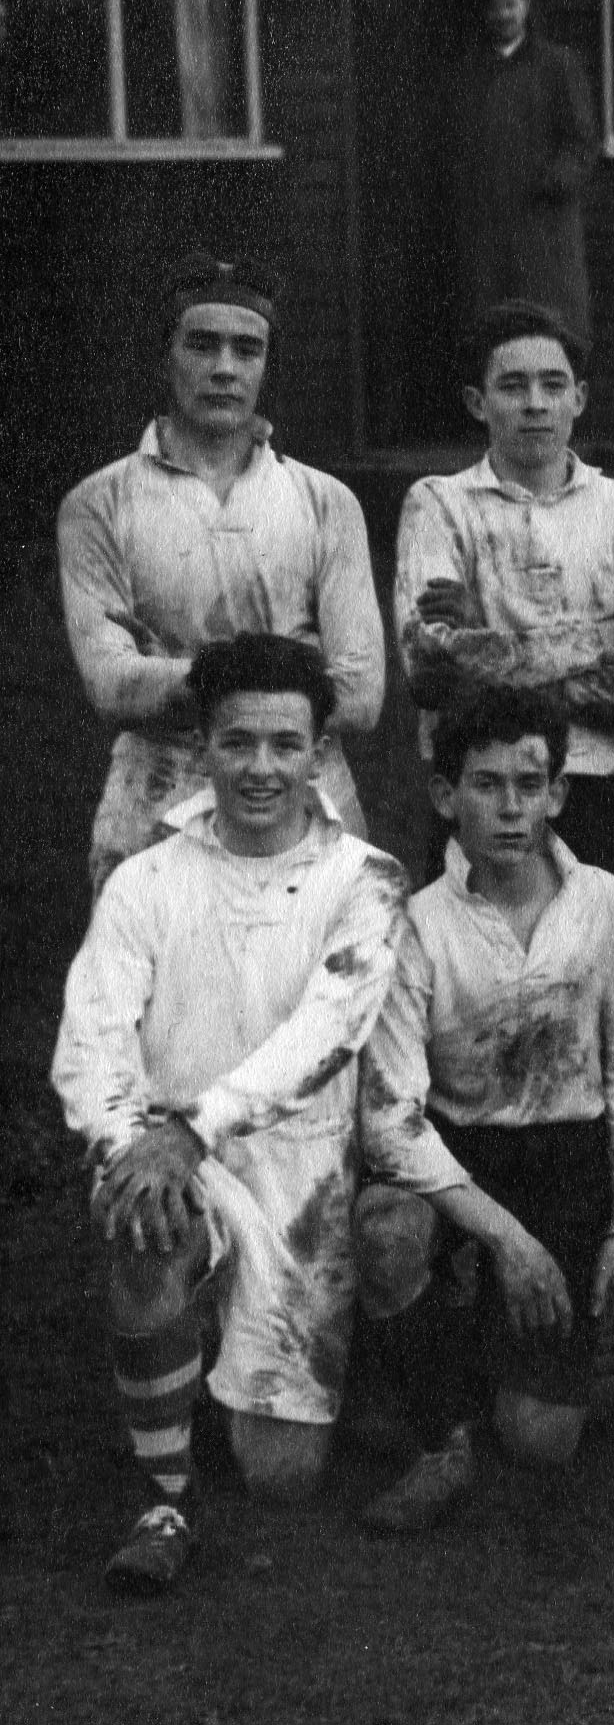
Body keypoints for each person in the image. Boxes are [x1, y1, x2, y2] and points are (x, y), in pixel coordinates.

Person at [49, 635, 482, 1593]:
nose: (259, 767)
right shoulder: (145, 878)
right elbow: (91, 1041)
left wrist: (189, 1130)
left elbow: (323, 1034)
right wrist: (134, 1149)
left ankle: (234, 1367)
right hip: (171, 1156)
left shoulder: (367, 879)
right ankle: (163, 1497)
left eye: (285, 744)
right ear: (202, 743)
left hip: (301, 1174)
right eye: (237, 741)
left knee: (283, 1475)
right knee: (143, 1227)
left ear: (320, 747)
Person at [353, 686, 614, 1534]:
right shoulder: (415, 923)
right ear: (446, 796)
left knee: (542, 1438)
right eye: (486, 785)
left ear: (558, 793)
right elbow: (392, 1122)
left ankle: (490, 1336)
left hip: (566, 1156)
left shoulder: (603, 901)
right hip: (459, 1161)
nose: (511, 808)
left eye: (530, 784)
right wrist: (504, 1239)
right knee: (384, 1227)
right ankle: (442, 1437)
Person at [58, 252, 384, 891]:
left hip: (305, 790)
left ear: (266, 365)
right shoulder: (98, 504)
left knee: (317, 981)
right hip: (159, 791)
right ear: (167, 358)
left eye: (247, 349)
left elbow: (364, 694)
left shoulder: (325, 502)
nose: (224, 368)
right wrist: (290, 669)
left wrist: (184, 677)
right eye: (202, 346)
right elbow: (110, 682)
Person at [395, 299, 614, 967]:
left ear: (578, 398)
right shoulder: (438, 503)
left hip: (602, 784)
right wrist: (597, 639)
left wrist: (487, 646)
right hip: (479, 784)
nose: (534, 404)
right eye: (512, 386)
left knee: (602, 979)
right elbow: (431, 675)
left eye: (552, 385)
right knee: (471, 983)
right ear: (476, 401)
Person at [448, 0, 596, 345]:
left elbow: (581, 145)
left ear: (526, 6)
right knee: (494, 337)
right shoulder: (470, 74)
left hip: (543, 235)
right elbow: (459, 154)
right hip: (488, 238)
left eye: (511, 4)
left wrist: (549, 183)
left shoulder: (558, 66)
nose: (504, 15)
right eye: (496, 7)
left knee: (546, 334)